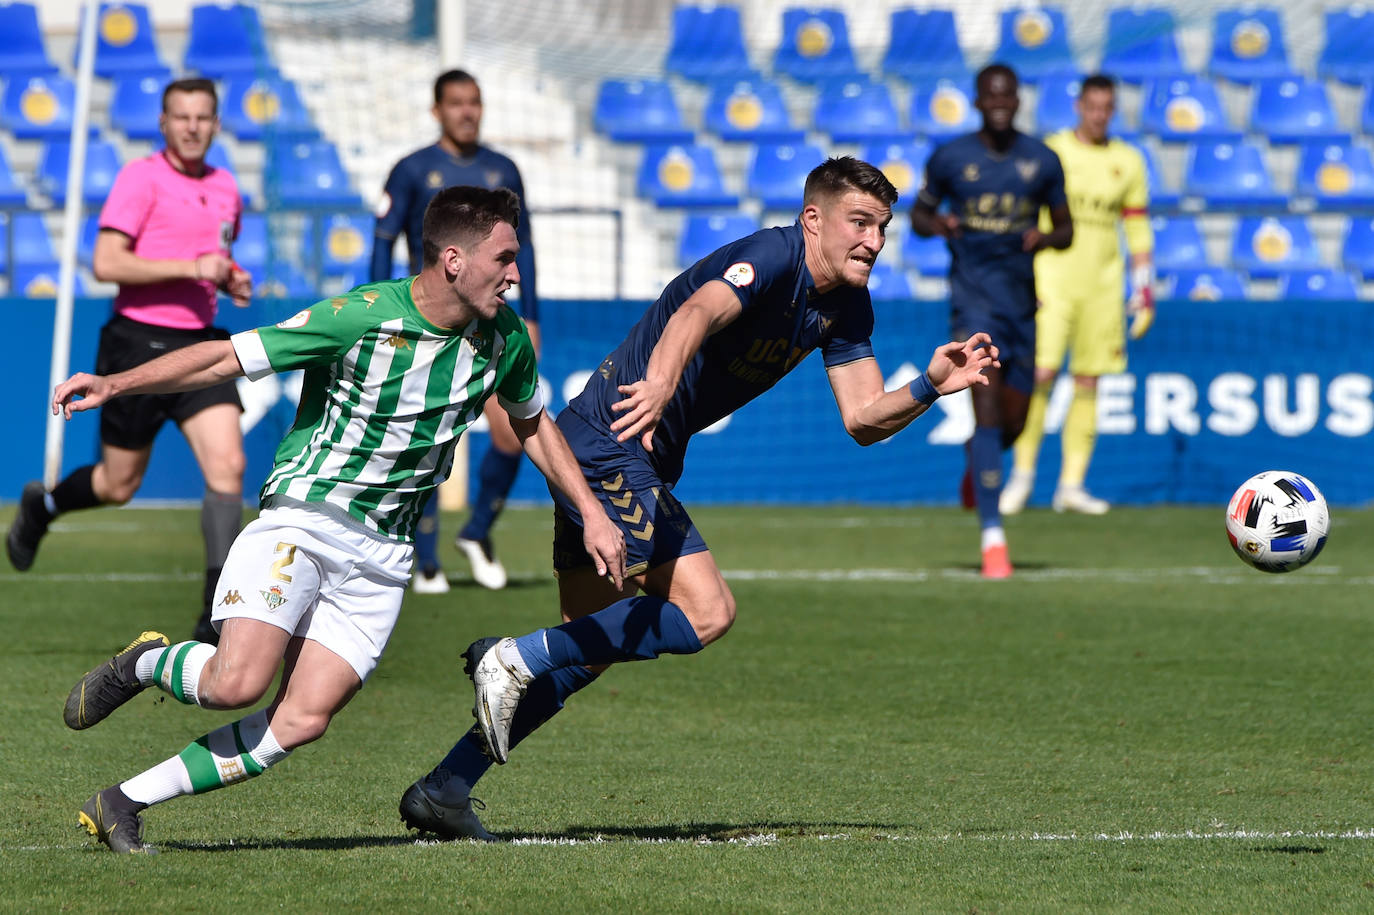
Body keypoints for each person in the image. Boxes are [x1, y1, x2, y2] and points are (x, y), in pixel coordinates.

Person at [396, 157, 1000, 842]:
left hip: (606, 450)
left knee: (584, 650)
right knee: (707, 612)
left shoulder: (848, 307)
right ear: (814, 219)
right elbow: (697, 308)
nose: (873, 239)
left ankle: (446, 786)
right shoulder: (773, 255)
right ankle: (514, 654)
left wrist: (928, 384)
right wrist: (657, 384)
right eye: (859, 222)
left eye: (882, 227)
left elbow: (862, 418)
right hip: (611, 440)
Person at [54, 186, 625, 854]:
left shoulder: (503, 340)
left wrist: (590, 511)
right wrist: (118, 384)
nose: (515, 274)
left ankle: (121, 801)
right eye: (504, 258)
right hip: (306, 518)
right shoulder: (359, 317)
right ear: (452, 260)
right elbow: (226, 355)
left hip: (384, 556)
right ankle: (147, 662)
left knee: (301, 719)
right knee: (236, 682)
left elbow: (531, 423)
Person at [6, 77, 253, 643]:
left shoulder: (225, 188)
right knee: (119, 485)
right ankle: (43, 506)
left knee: (229, 467)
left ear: (216, 124)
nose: (192, 127)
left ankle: (214, 614)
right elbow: (107, 261)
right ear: (163, 124)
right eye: (181, 117)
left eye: (203, 117)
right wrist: (193, 267)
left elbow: (216, 257)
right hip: (136, 343)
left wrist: (229, 278)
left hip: (200, 344)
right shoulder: (140, 178)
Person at [372, 68, 540, 594]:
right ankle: (423, 560)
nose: (467, 111)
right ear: (437, 110)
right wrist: (380, 310)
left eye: (474, 102)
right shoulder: (412, 170)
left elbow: (525, 250)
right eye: (456, 103)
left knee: (514, 433)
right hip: (426, 323)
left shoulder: (503, 168)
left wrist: (530, 316)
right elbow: (381, 242)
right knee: (419, 436)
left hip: (490, 324)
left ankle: (477, 532)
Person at [909, 63, 1072, 579]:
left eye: (1008, 96)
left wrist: (1044, 238)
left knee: (1015, 424)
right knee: (987, 414)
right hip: (973, 306)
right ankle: (993, 540)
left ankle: (979, 465)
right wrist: (938, 224)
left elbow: (1066, 228)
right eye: (991, 96)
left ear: (1017, 100)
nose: (1000, 103)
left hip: (1023, 309)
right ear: (978, 101)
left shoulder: (1042, 160)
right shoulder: (951, 158)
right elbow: (916, 216)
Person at [1000, 73, 1154, 516]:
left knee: (1089, 381)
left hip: (1104, 284)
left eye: (1107, 107)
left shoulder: (1129, 160)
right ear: (1079, 106)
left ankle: (1071, 485)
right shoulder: (1053, 152)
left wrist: (1143, 287)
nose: (1100, 115)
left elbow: (1137, 226)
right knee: (1041, 375)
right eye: (1093, 106)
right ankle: (1022, 477)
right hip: (1054, 280)